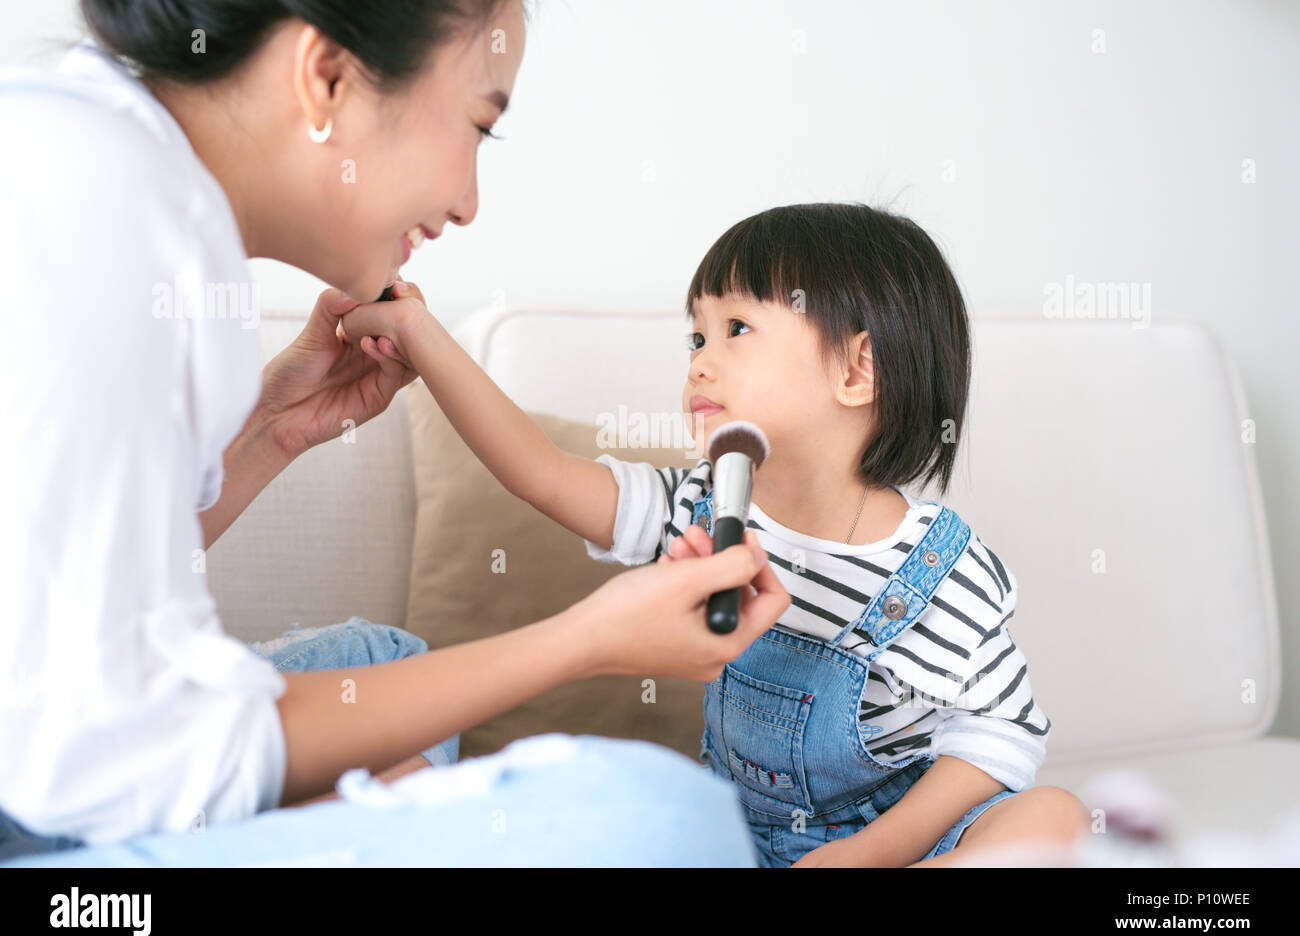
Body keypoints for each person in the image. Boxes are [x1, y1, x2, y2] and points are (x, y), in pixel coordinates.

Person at [0, 0, 789, 866]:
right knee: (665, 825)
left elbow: (75, 604)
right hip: (69, 776)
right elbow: (117, 749)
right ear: (327, 77)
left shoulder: (110, 175)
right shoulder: (114, 227)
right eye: (480, 126)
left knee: (379, 657)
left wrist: (272, 431)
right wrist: (588, 640)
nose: (468, 204)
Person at [336, 202, 1094, 866]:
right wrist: (421, 338)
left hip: (893, 844)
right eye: (695, 337)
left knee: (1053, 817)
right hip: (731, 837)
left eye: (735, 328)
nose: (700, 362)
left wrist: (865, 856)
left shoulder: (940, 569)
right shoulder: (700, 504)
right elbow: (540, 472)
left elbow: (1002, 737)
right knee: (620, 803)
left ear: (859, 369)